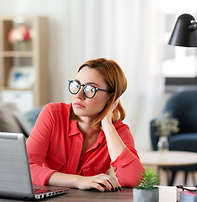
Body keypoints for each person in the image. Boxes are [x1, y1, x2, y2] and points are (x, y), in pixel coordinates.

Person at [26, 58, 144, 192]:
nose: (79, 95)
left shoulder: (118, 131)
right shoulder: (53, 114)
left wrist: (107, 125)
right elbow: (26, 168)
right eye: (77, 85)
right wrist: (79, 180)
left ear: (111, 98)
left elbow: (135, 181)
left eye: (90, 89)